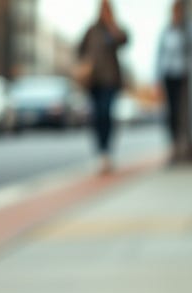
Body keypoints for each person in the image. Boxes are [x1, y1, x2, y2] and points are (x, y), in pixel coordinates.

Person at [78, 0, 129, 174]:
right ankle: (101, 152)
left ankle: (107, 152)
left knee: (106, 113)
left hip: (111, 81)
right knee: (97, 116)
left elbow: (125, 39)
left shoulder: (113, 28)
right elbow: (79, 49)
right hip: (94, 81)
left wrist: (112, 26)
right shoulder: (91, 30)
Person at [156, 0, 192, 165]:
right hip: (169, 75)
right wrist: (157, 79)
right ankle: (174, 147)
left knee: (187, 112)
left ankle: (189, 146)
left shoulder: (189, 30)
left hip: (185, 75)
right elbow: (159, 56)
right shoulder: (166, 31)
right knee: (172, 113)